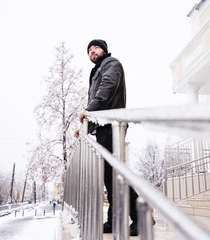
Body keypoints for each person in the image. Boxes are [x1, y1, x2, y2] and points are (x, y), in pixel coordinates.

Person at [74, 39, 140, 236]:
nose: (92, 51)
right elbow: (98, 103)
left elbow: (107, 89)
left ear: (104, 49)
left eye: (95, 47)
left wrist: (89, 110)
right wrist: (83, 127)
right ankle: (113, 220)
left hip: (113, 124)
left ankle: (141, 218)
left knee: (116, 174)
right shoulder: (96, 71)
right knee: (110, 178)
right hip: (104, 126)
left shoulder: (111, 64)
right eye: (89, 50)